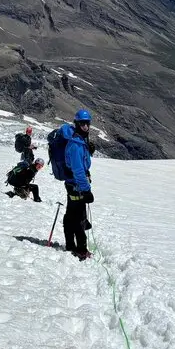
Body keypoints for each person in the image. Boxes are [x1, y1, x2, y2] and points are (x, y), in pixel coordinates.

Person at [62, 109, 95, 260]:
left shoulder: (78, 140)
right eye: (82, 124)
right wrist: (86, 190)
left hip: (73, 185)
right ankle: (81, 250)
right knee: (78, 217)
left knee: (71, 215)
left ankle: (70, 245)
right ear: (76, 124)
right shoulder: (75, 144)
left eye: (87, 123)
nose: (86, 127)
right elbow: (78, 170)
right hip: (77, 186)